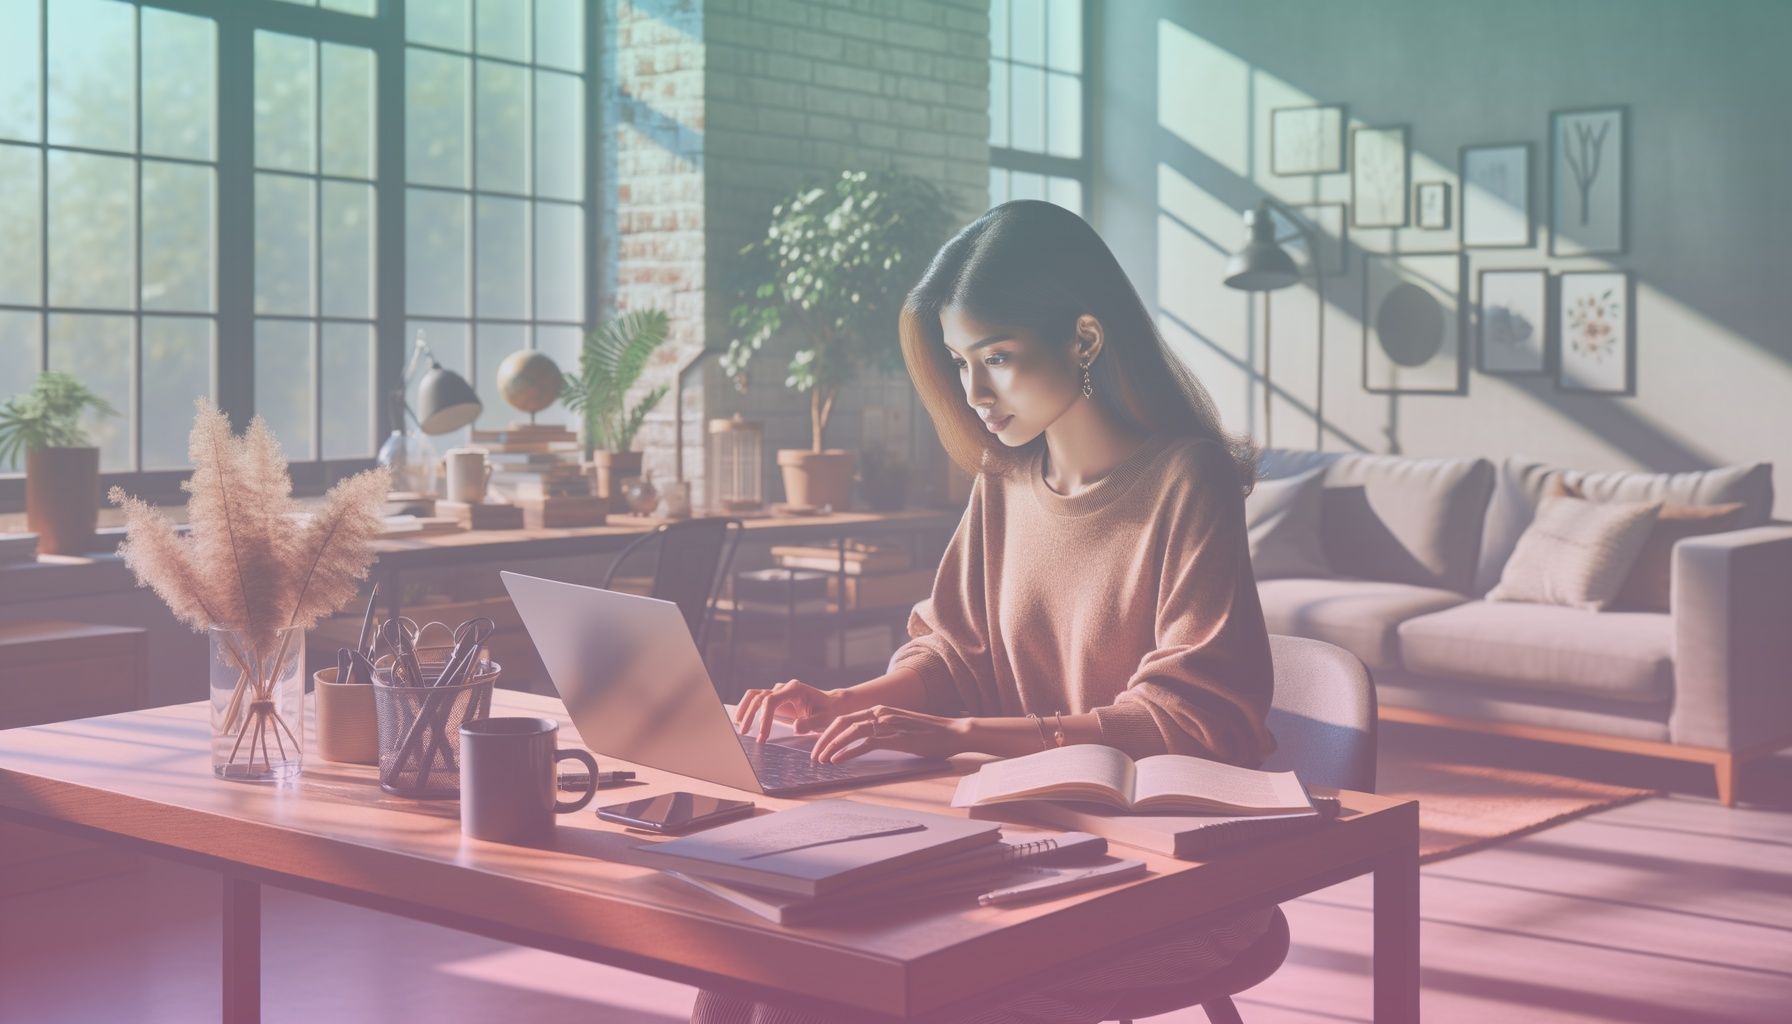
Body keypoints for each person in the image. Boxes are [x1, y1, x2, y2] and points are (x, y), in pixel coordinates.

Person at [696, 200, 1276, 1024]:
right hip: (1012, 841)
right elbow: (956, 653)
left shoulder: (1189, 480)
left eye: (997, 358)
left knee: (839, 968)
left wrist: (958, 739)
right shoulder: (1004, 482)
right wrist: (856, 701)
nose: (973, 393)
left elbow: (1190, 716)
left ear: (1084, 339)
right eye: (962, 361)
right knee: (750, 944)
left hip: (1156, 871)